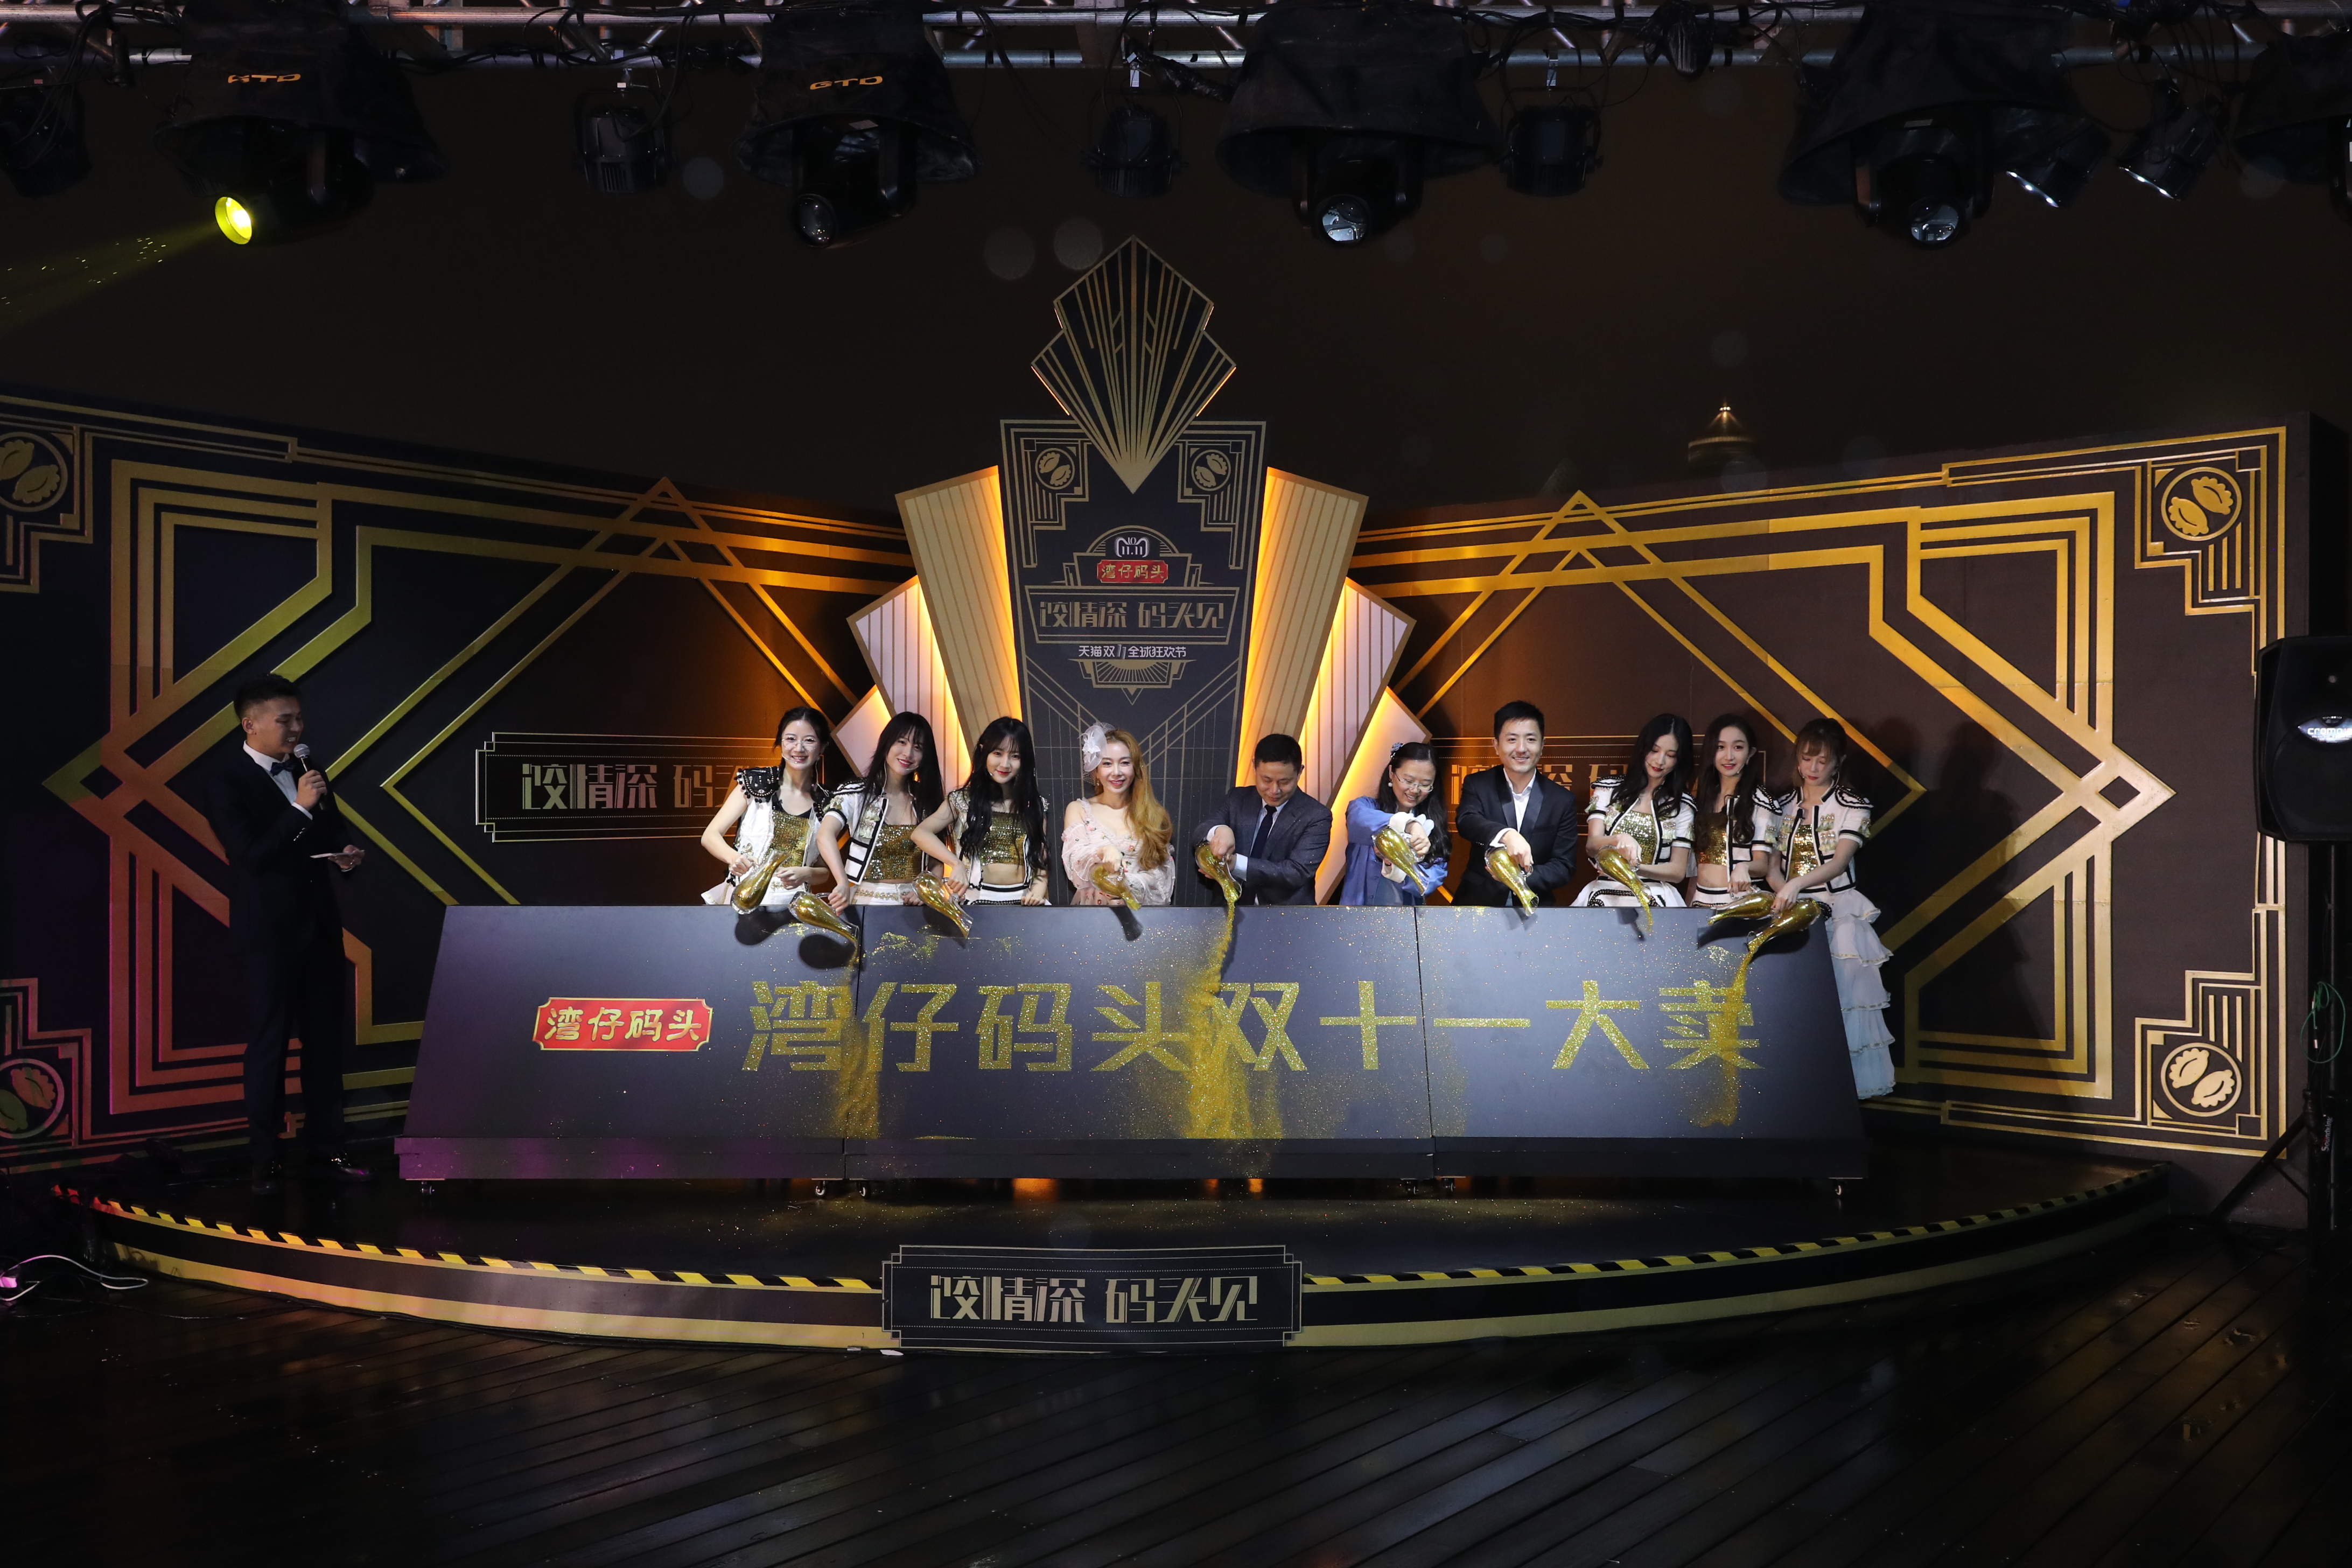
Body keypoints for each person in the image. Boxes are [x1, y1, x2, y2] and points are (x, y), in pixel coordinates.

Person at [203, 675, 370, 1195]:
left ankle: (328, 1146)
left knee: (325, 1040)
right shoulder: (226, 780)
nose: (297, 729)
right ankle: (266, 1156)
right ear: (250, 724)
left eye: (299, 718)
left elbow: (331, 828)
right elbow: (251, 856)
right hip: (267, 936)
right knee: (269, 1045)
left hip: (319, 926)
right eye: (285, 720)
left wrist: (346, 852)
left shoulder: (307, 768)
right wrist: (298, 807)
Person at [1767, 718, 1896, 1099]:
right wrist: (1784, 892)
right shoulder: (1781, 805)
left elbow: (1840, 863)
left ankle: (1840, 1094)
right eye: (1807, 758)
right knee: (1791, 1004)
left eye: (1822, 761)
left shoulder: (1853, 805)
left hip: (1837, 910)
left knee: (1844, 1002)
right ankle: (1796, 1092)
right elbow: (1771, 866)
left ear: (1839, 761)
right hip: (1789, 911)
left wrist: (1795, 885)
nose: (1813, 768)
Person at [697, 706, 834, 907]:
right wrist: (734, 858)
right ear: (780, 742)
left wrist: (806, 873)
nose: (799, 748)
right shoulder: (754, 783)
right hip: (743, 899)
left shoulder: (827, 802)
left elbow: (824, 870)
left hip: (795, 906)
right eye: (791, 739)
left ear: (822, 747)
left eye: (809, 740)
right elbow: (710, 836)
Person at [1453, 700, 1579, 907]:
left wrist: (1517, 877)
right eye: (1512, 739)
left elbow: (1564, 866)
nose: (1521, 749)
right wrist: (1506, 834)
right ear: (1496, 745)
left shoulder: (1562, 800)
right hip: (1478, 903)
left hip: (1535, 907)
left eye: (1530, 739)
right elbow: (1467, 820)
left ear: (1542, 745)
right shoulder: (1478, 784)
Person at [914, 716, 1051, 906]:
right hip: (974, 902)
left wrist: (1038, 892)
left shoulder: (1034, 805)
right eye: (998, 753)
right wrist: (955, 864)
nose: (1005, 764)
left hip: (1022, 904)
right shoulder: (962, 800)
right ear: (983, 751)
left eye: (1015, 756)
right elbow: (921, 833)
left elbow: (1040, 863)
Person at [816, 711, 942, 909]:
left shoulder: (926, 800)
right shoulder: (856, 792)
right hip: (868, 902)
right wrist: (841, 882)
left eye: (918, 747)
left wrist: (928, 890)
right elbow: (825, 835)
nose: (908, 754)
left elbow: (937, 861)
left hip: (915, 907)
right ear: (886, 743)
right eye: (902, 742)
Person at [1574, 713, 1696, 909]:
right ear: (1643, 748)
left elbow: (1677, 872)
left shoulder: (1682, 806)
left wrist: (1631, 868)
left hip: (1655, 896)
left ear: (1680, 760)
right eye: (1654, 750)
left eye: (1671, 755)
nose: (1660, 761)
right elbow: (1592, 845)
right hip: (1603, 896)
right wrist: (1618, 839)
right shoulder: (1608, 789)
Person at [1196, 734, 1333, 907]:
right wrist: (1220, 830)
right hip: (1230, 911)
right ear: (1255, 766)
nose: (1274, 790)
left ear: (1300, 772)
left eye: (1284, 782)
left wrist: (1235, 864)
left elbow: (1296, 872)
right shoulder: (1237, 798)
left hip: (1285, 916)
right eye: (1266, 780)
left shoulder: (1316, 815)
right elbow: (1200, 832)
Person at [1062, 723, 1176, 906]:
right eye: (1107, 764)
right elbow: (1075, 861)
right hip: (1091, 915)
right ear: (1096, 771)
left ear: (1135, 768)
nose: (1116, 772)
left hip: (1139, 913)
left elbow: (1162, 880)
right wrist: (1103, 851)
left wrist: (1126, 884)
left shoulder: (1154, 814)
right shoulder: (1079, 810)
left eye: (1125, 763)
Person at [1338, 741, 1449, 906]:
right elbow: (1358, 821)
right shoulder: (1365, 807)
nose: (1415, 790)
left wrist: (1394, 862)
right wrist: (1410, 824)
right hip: (1357, 913)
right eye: (1408, 780)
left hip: (1405, 917)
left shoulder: (1432, 826)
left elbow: (1430, 882)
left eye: (1425, 785)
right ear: (1392, 773)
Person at [1685, 713, 1776, 911]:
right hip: (1700, 903)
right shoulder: (1700, 799)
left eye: (1738, 747)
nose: (1729, 756)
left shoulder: (1760, 801)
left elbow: (1762, 864)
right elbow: (1695, 867)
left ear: (1751, 753)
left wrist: (1744, 867)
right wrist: (1688, 908)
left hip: (1739, 905)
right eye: (1720, 747)